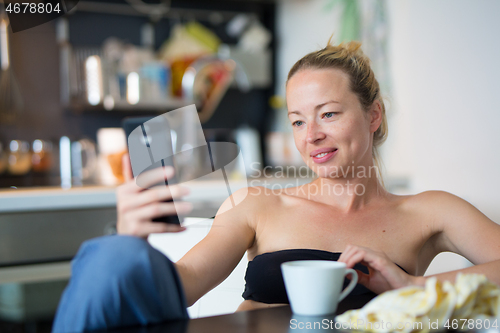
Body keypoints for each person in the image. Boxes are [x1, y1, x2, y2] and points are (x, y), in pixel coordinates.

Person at [52, 40, 500, 332]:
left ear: (374, 115)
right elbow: (184, 282)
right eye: (298, 122)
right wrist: (134, 240)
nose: (311, 136)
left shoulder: (428, 212)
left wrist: (411, 287)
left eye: (328, 114)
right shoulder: (258, 205)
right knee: (113, 257)